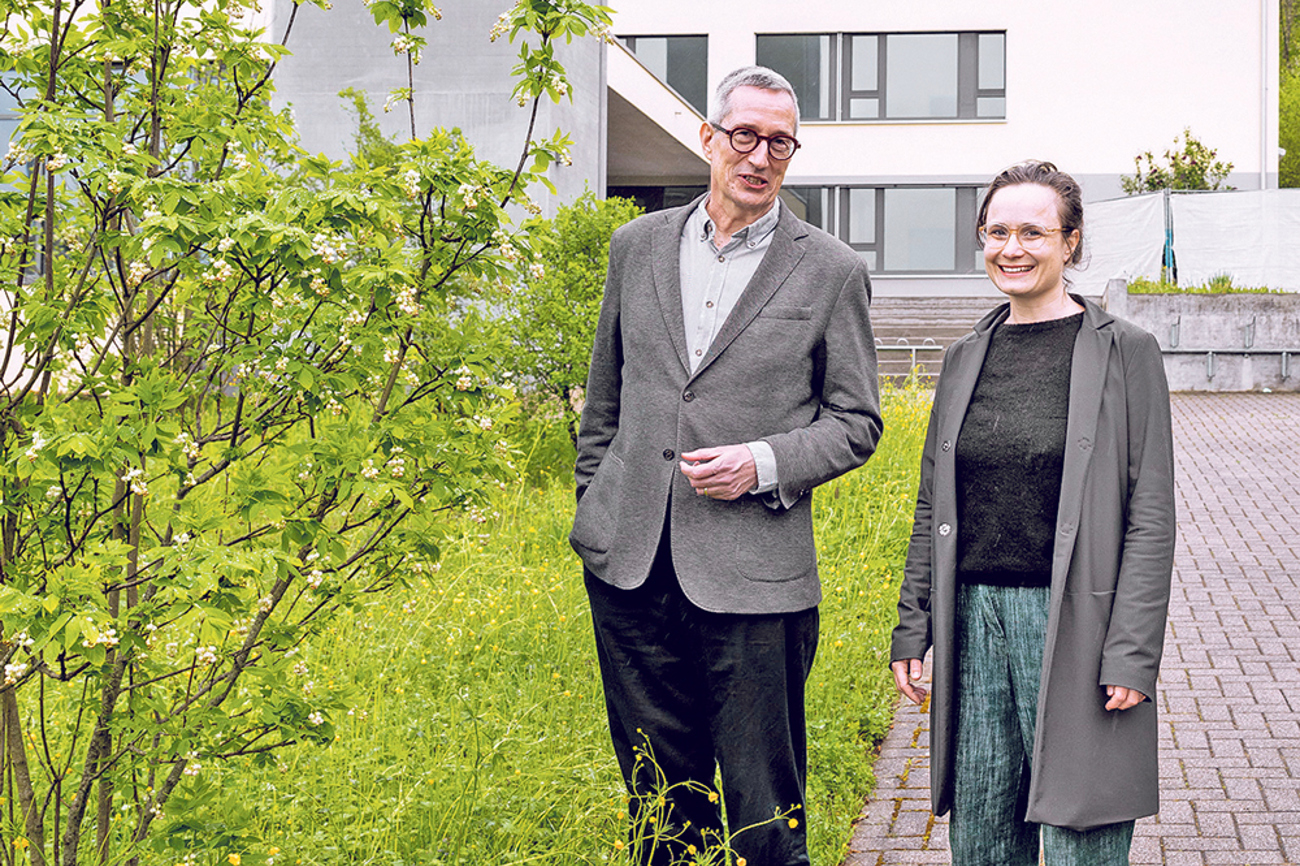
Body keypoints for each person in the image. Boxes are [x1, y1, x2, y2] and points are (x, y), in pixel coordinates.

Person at [571, 66, 882, 866]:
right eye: (744, 134)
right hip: (630, 567)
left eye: (781, 141)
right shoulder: (635, 246)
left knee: (763, 813)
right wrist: (595, 509)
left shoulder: (832, 269)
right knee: (659, 804)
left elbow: (856, 422)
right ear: (709, 137)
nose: (760, 155)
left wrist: (763, 462)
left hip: (755, 579)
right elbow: (605, 398)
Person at [890, 160, 1176, 865]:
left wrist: (1133, 654)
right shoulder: (964, 356)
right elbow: (935, 500)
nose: (1010, 248)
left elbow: (1151, 514)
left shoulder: (1126, 354)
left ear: (1070, 242)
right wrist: (913, 625)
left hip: (1077, 618)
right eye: (996, 231)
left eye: (1032, 232)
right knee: (983, 834)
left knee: (1083, 832)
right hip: (973, 619)